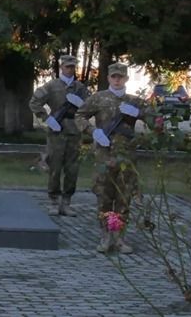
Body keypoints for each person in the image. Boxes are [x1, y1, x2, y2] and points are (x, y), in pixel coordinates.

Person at [75, 62, 150, 254]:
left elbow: (156, 122)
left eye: (121, 77)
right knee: (104, 197)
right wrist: (93, 131)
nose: (117, 80)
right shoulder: (99, 98)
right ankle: (105, 236)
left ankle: (119, 238)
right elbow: (79, 116)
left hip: (127, 158)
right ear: (108, 78)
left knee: (124, 199)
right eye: (114, 77)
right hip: (104, 156)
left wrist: (138, 113)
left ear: (126, 78)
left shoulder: (135, 101)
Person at [29, 54, 91, 216]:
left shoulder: (80, 88)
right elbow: (34, 102)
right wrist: (47, 118)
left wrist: (82, 106)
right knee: (54, 167)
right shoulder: (52, 86)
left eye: (72, 66)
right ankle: (54, 201)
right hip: (56, 131)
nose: (70, 69)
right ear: (61, 67)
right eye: (67, 66)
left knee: (72, 168)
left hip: (74, 131)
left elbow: (89, 107)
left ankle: (67, 202)